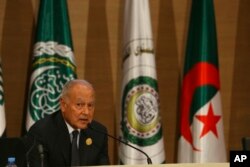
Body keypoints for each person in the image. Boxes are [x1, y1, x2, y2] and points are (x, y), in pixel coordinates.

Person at [24, 79, 110, 166]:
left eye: (90, 105)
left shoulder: (99, 133)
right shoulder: (41, 132)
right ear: (63, 105)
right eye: (79, 105)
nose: (86, 112)